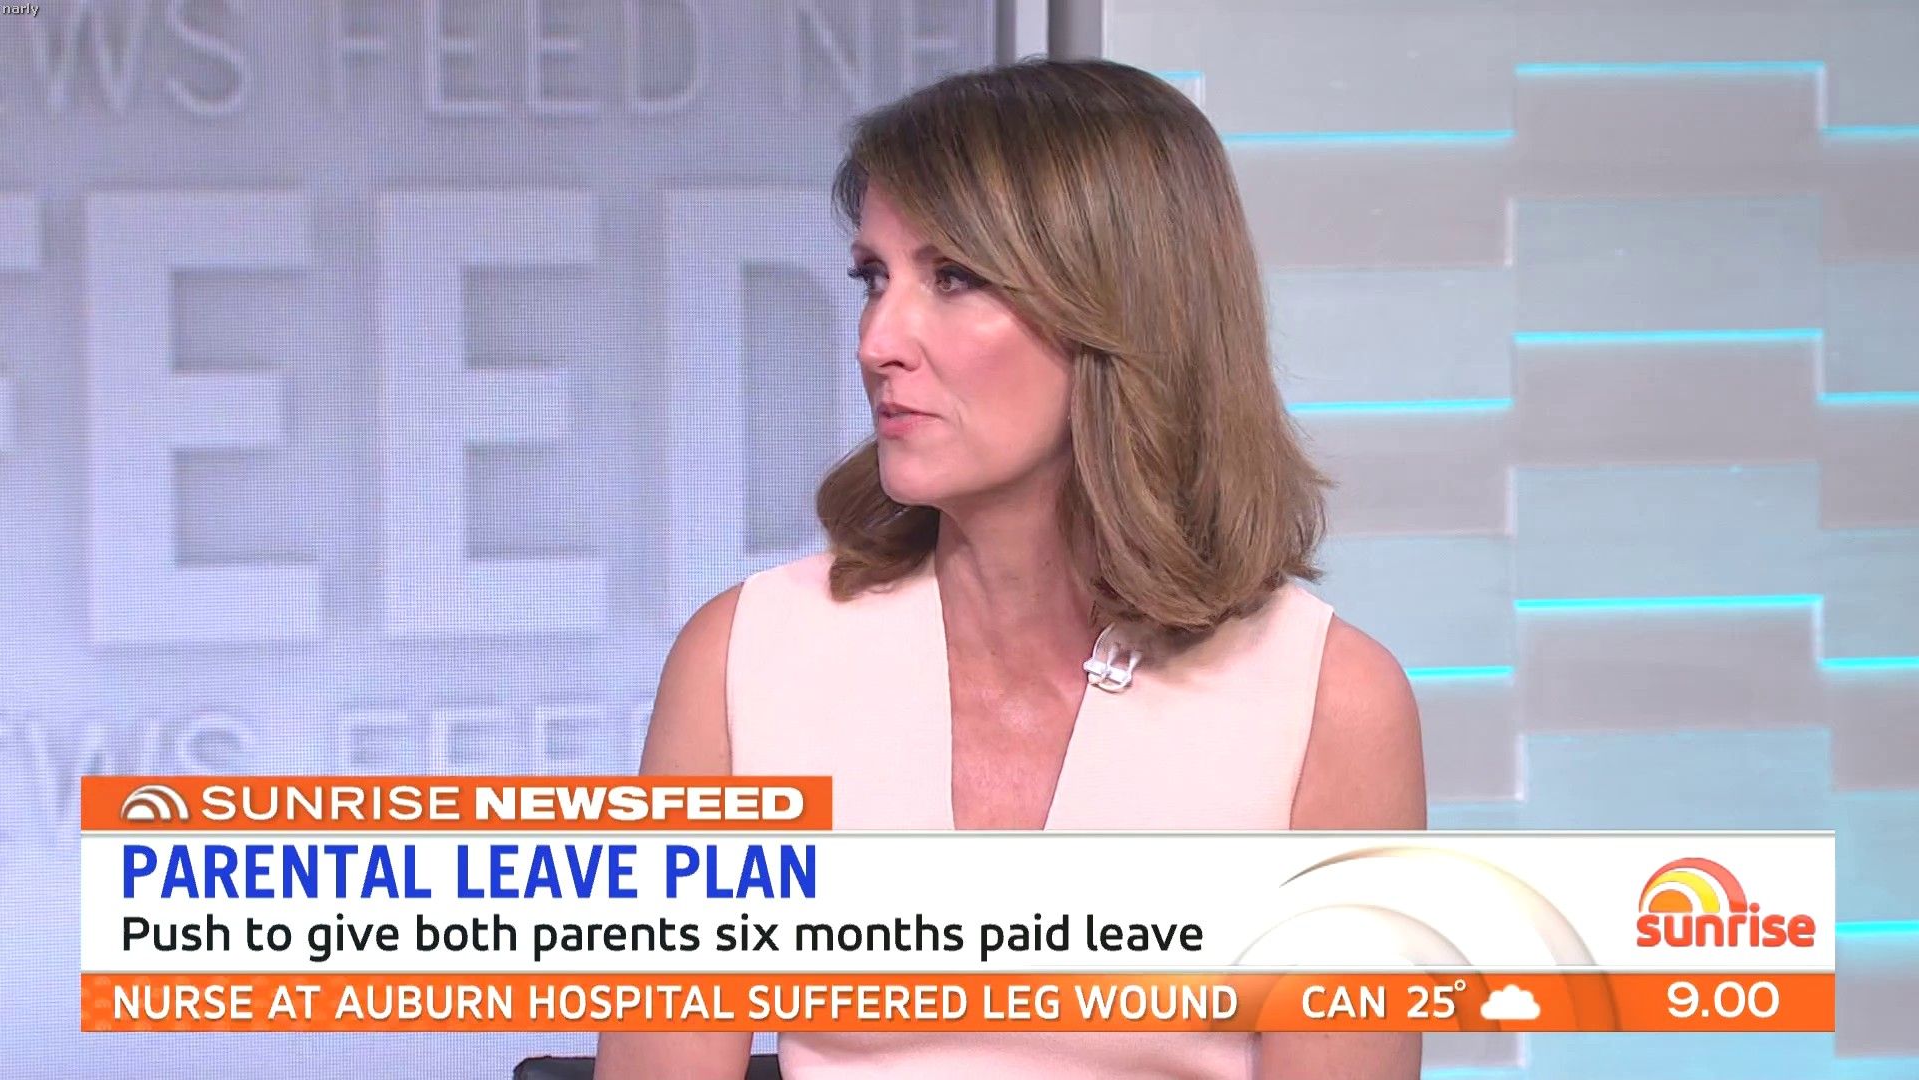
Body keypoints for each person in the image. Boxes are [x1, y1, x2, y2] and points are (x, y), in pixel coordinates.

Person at [597, 57, 1426, 1079]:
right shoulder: (744, 658)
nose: (877, 340)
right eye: (873, 277)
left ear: (1121, 312)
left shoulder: (1331, 704)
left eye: (953, 278)